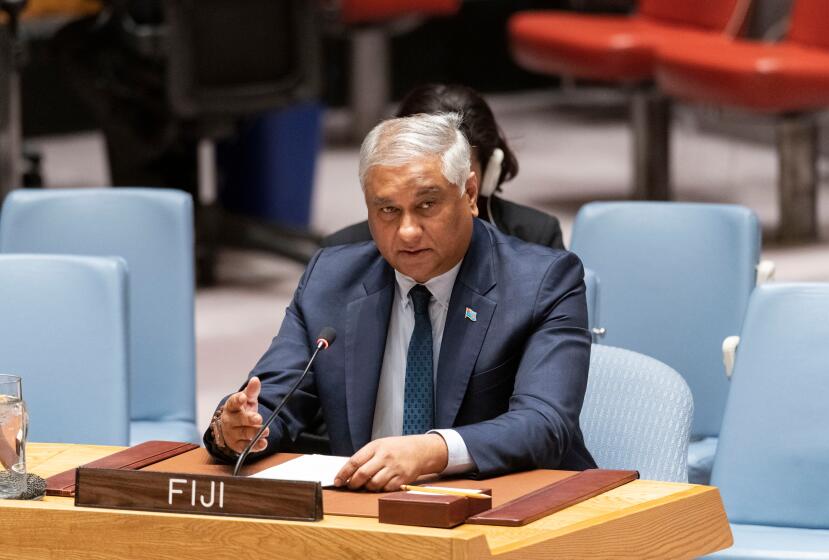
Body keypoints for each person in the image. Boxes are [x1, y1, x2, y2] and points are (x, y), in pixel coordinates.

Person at [205, 113, 594, 490]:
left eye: (427, 205)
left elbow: (545, 422)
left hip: (509, 510)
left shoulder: (543, 281)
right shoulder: (332, 279)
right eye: (388, 210)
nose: (407, 232)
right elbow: (274, 399)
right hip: (370, 518)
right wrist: (239, 428)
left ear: (470, 194)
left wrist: (432, 451)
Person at [322, 83, 565, 250]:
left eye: (460, 166)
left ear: (488, 172)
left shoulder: (535, 239)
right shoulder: (340, 251)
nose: (445, 179)